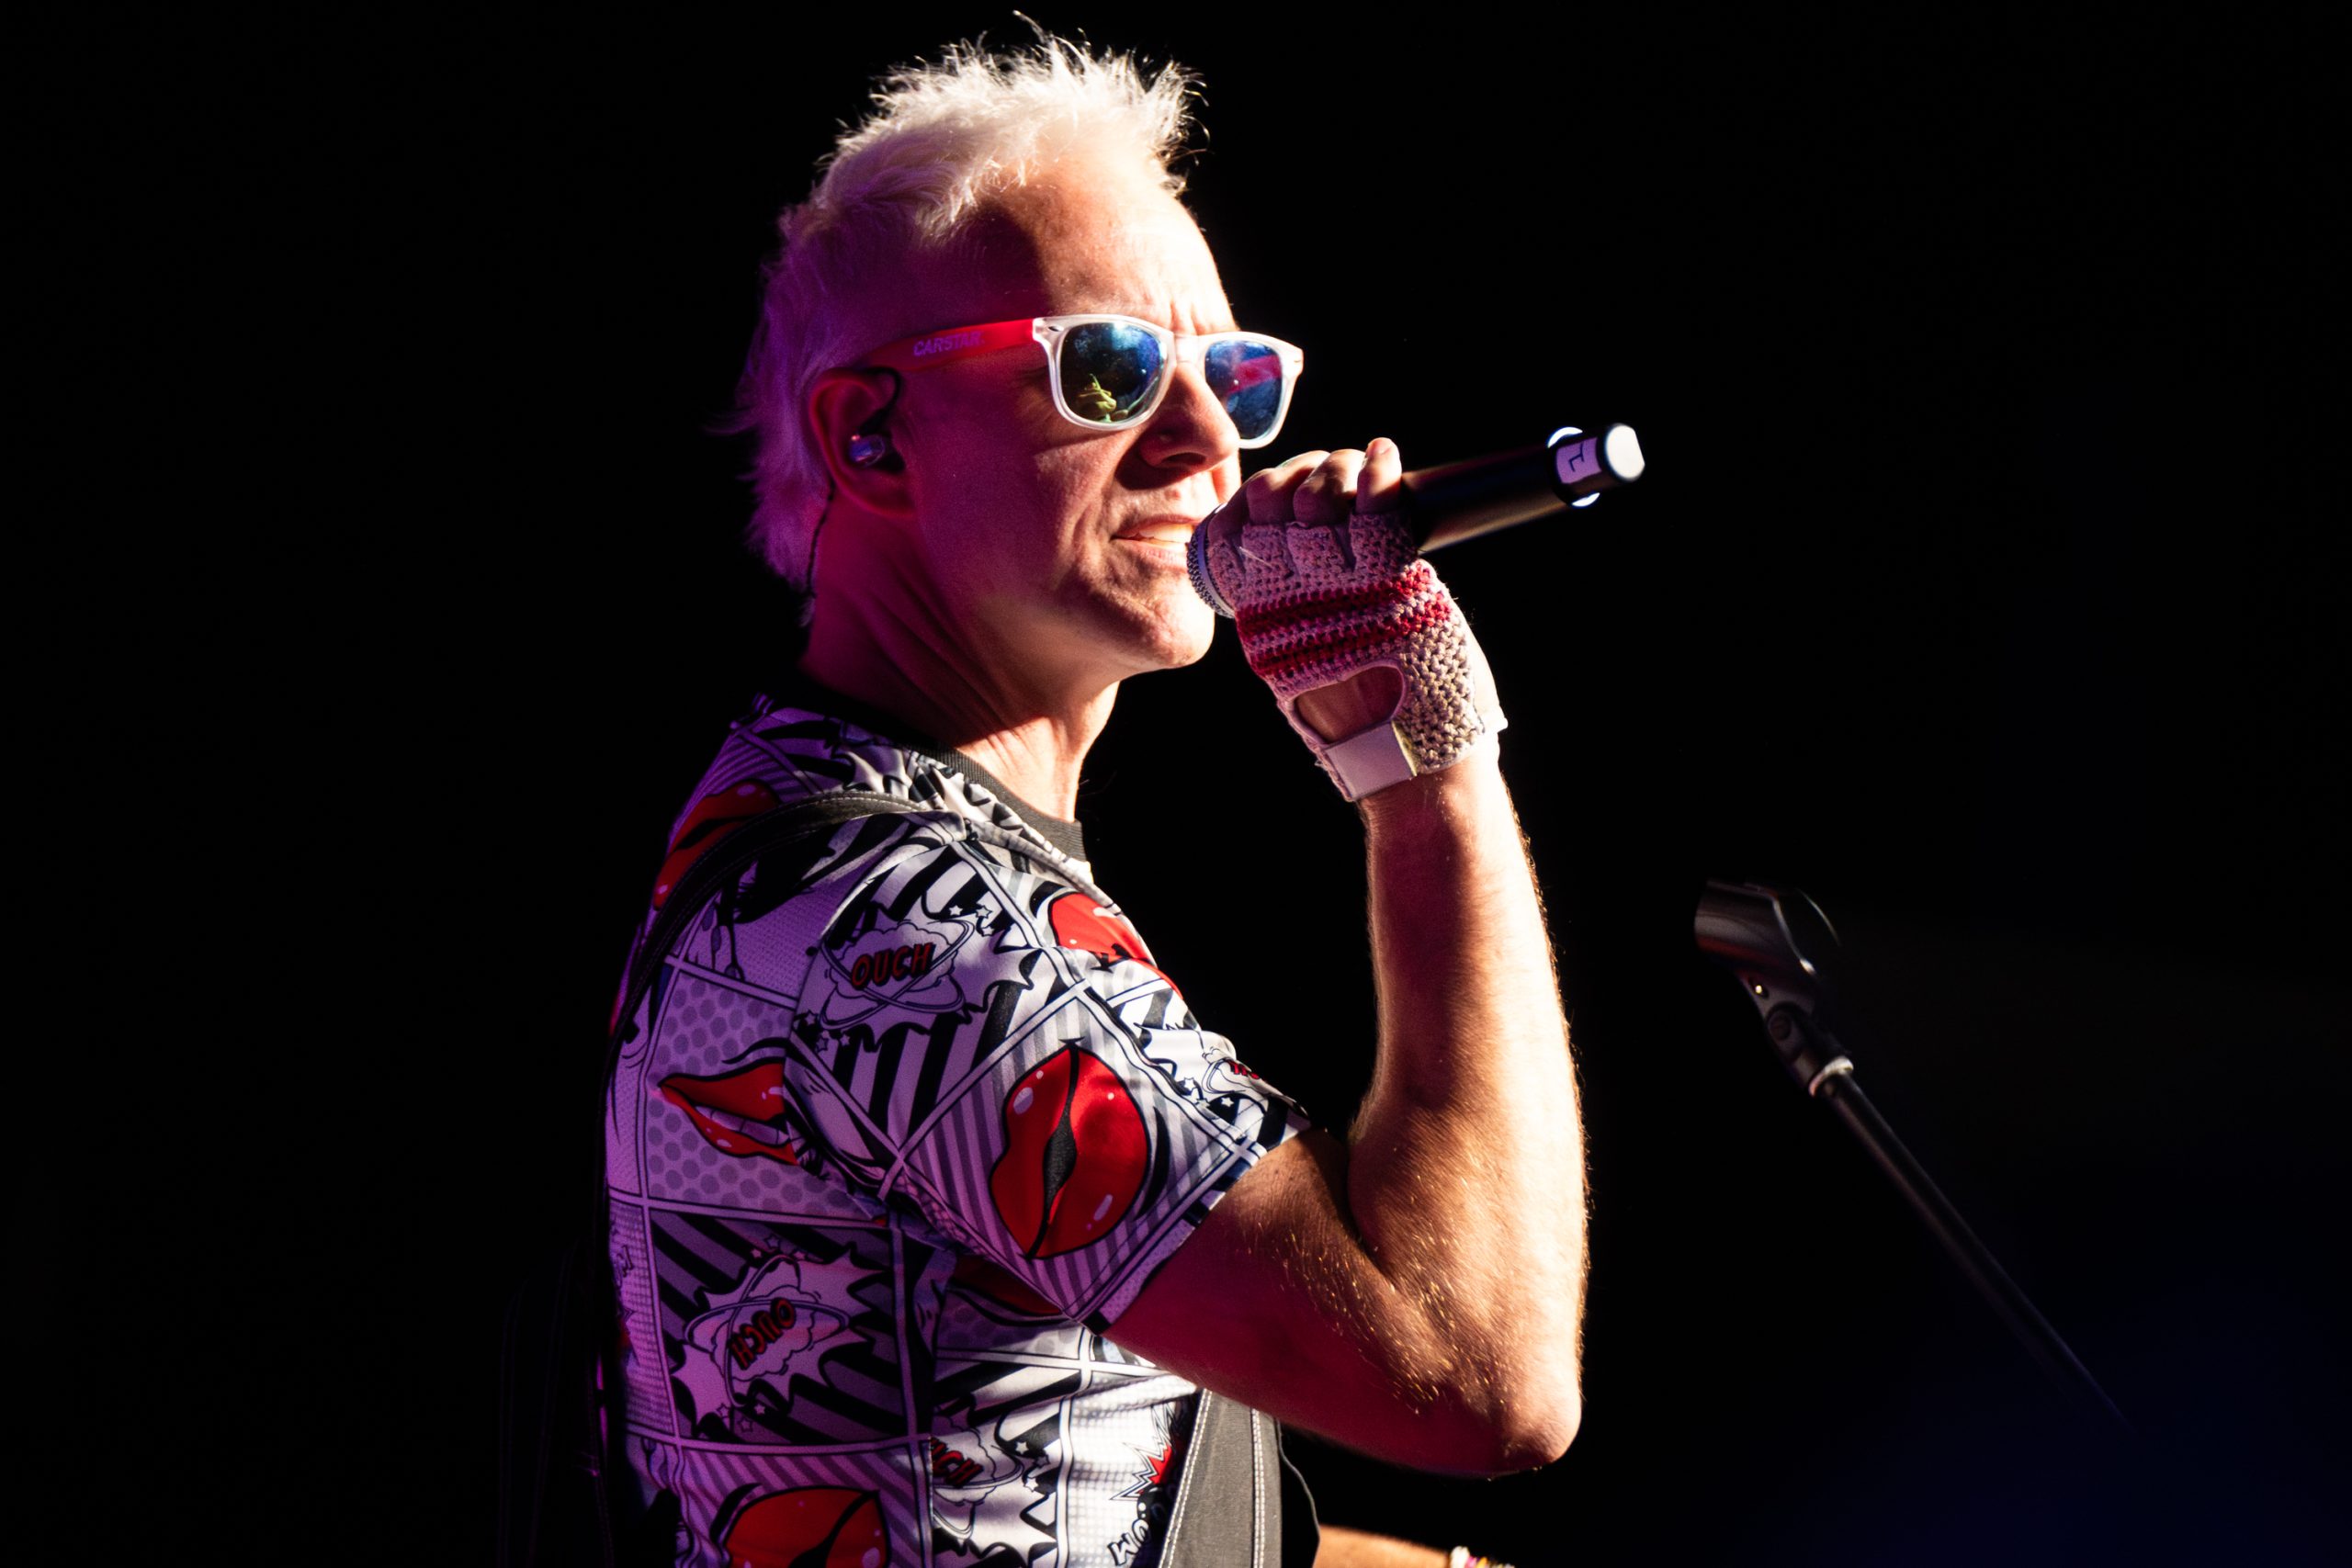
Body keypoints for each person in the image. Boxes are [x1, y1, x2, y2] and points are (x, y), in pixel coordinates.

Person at [601, 36, 1584, 1568]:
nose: (1209, 444)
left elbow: (1036, 1483)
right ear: (869, 435)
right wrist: (1429, 771)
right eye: (1110, 369)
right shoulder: (910, 931)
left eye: (1235, 377)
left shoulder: (794, 825)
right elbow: (1483, 1375)